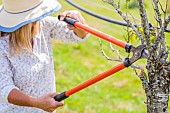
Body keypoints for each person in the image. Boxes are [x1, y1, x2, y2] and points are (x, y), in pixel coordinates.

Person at [0, 0, 89, 112]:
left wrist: (79, 24)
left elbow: (78, 36)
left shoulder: (43, 24)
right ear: (30, 20)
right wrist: (35, 102)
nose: (42, 16)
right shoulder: (2, 45)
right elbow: (5, 89)